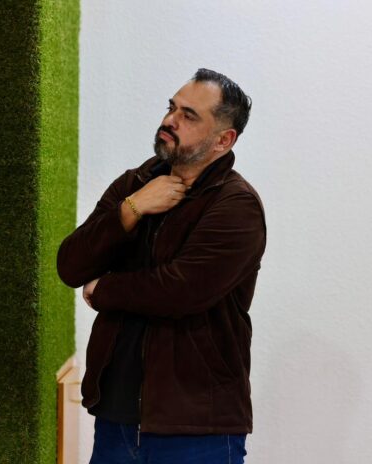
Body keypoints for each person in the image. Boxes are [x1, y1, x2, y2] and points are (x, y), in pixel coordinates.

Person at [57, 68, 266, 464]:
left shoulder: (237, 205)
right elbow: (71, 265)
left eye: (189, 115)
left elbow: (180, 291)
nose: (170, 120)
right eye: (172, 107)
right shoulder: (134, 185)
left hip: (196, 429)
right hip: (116, 421)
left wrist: (104, 289)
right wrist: (132, 209)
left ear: (224, 140)